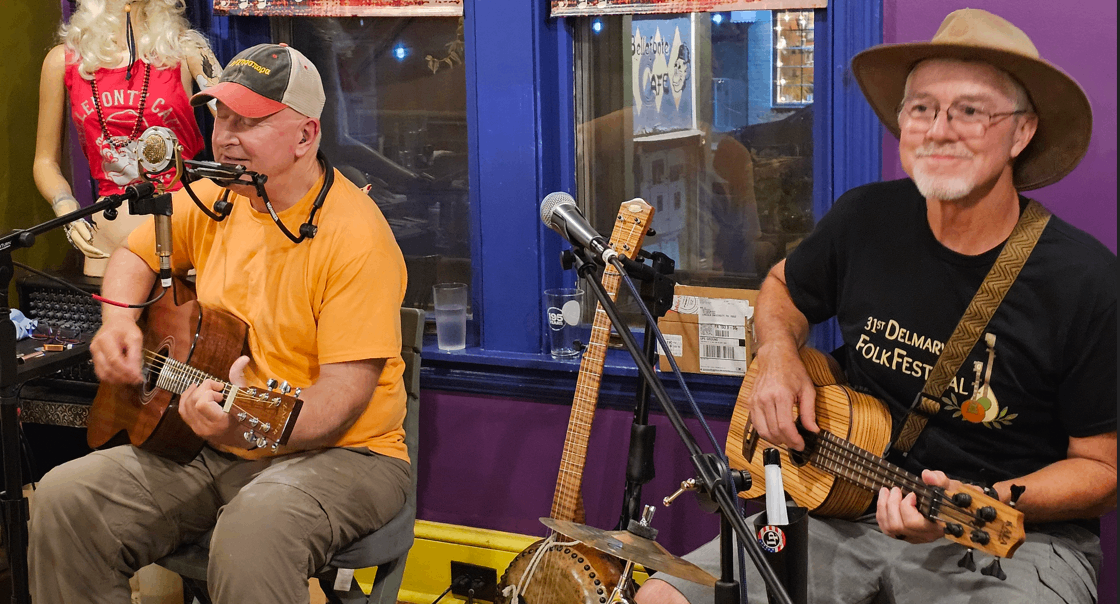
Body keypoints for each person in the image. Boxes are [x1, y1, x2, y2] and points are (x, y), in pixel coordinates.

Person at [638, 9, 1115, 603]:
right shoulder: (865, 219)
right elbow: (781, 288)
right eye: (921, 108)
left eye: (970, 110)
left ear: (1021, 133)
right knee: (661, 597)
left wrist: (984, 501)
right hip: (842, 508)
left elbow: (1103, 470)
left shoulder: (1086, 280)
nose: (940, 129)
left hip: (1010, 538)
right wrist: (780, 357)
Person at [28, 43, 411, 604]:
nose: (226, 136)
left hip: (346, 453)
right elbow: (134, 256)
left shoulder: (356, 237)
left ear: (306, 136)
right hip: (214, 444)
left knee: (254, 529)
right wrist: (117, 323)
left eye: (250, 121)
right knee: (66, 496)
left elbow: (341, 399)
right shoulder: (215, 198)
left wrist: (240, 426)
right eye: (221, 117)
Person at [34, 0, 220, 277]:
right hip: (110, 238)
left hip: (184, 232)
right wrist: (66, 208)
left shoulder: (186, 51)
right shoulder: (63, 61)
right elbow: (45, 161)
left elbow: (237, 125)